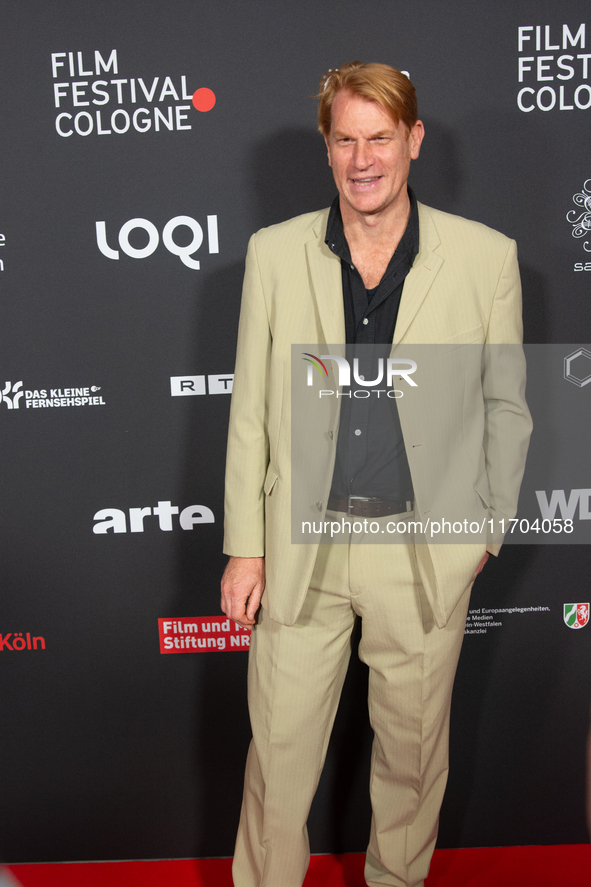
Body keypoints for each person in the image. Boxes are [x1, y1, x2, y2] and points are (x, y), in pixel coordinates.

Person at [221, 61, 532, 887]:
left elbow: (506, 406)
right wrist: (245, 548)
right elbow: (250, 405)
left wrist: (483, 526)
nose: (364, 159)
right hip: (302, 550)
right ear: (326, 148)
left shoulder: (483, 257)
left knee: (411, 760)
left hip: (422, 551)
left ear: (413, 141)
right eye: (346, 140)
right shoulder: (275, 253)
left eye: (380, 139)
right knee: (277, 762)